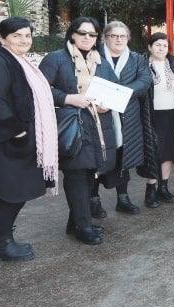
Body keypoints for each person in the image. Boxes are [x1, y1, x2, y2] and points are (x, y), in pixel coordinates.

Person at [0, 17, 57, 261]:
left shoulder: (22, 63)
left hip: (19, 140)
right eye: (17, 35)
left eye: (27, 35)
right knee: (7, 191)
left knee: (17, 190)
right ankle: (1, 243)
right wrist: (15, 130)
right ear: (2, 39)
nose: (24, 40)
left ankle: (2, 240)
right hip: (5, 141)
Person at [39, 17, 118, 246]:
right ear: (72, 34)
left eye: (92, 35)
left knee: (88, 174)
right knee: (76, 175)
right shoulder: (56, 59)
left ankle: (75, 223)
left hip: (98, 126)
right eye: (82, 33)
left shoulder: (101, 61)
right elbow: (40, 90)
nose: (87, 38)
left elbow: (113, 88)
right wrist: (67, 98)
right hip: (72, 125)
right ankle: (83, 226)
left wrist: (108, 103)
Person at [93, 21, 156, 213]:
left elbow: (145, 80)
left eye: (123, 36)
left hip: (129, 116)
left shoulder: (137, 59)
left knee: (124, 156)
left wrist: (120, 93)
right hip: (100, 115)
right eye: (114, 36)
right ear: (105, 38)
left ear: (128, 38)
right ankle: (93, 201)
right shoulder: (95, 56)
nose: (119, 40)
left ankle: (123, 198)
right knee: (98, 158)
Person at [146, 32, 174, 204]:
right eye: (158, 45)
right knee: (153, 151)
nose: (161, 48)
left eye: (165, 45)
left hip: (172, 114)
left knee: (168, 151)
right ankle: (150, 188)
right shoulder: (143, 65)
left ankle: (164, 187)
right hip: (152, 115)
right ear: (150, 47)